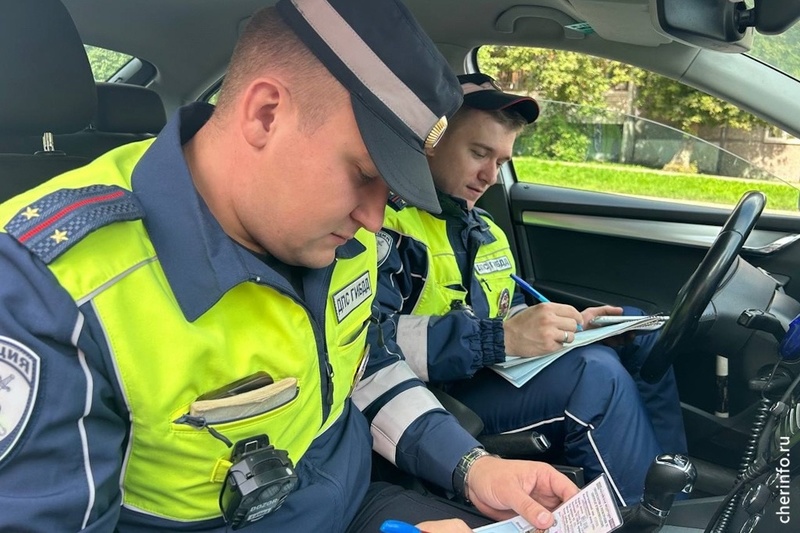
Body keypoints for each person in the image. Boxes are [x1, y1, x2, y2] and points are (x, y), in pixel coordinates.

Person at [0, 1, 580, 532]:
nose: (374, 219)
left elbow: (365, 366)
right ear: (265, 113)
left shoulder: (343, 240)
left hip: (355, 501)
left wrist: (472, 467)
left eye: (391, 190)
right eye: (364, 174)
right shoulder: (47, 293)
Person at [369, 72, 688, 507]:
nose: (490, 176)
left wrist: (567, 325)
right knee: (596, 376)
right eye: (479, 153)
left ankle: (674, 489)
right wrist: (497, 338)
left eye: (501, 161)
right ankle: (645, 512)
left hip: (494, 370)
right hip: (441, 395)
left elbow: (508, 309)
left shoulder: (486, 232)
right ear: (432, 141)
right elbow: (369, 343)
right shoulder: (385, 227)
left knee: (640, 333)